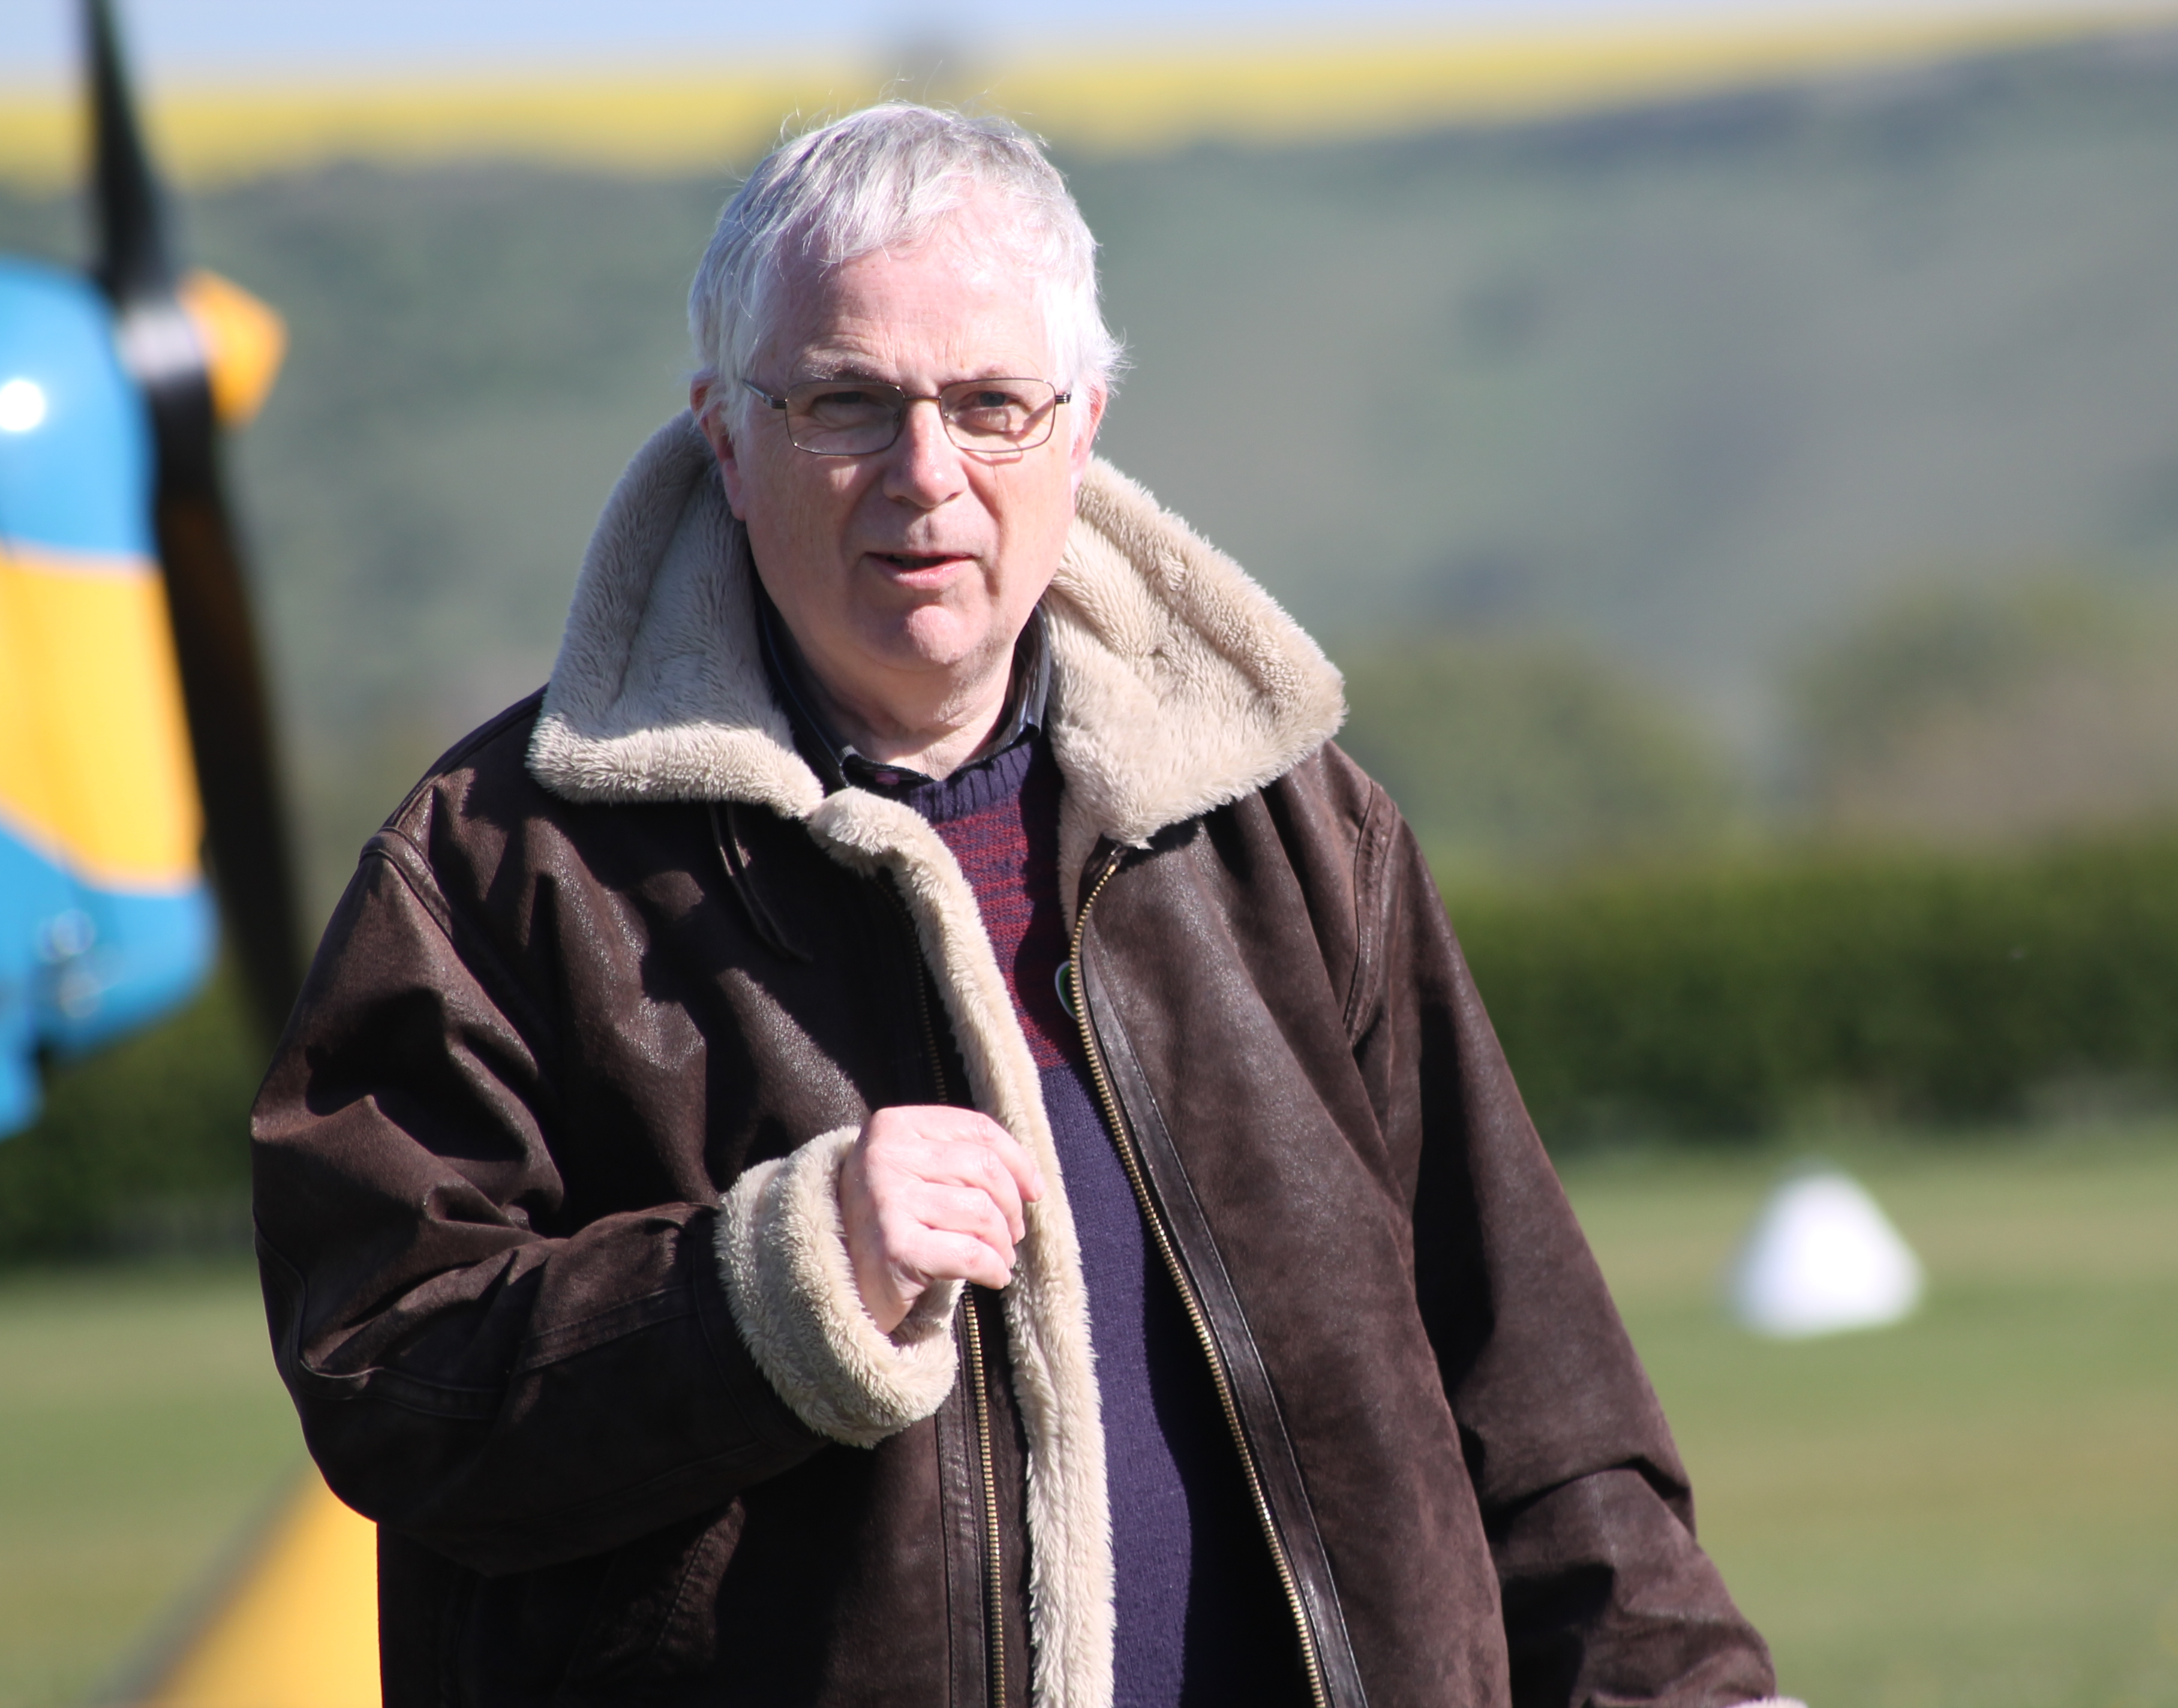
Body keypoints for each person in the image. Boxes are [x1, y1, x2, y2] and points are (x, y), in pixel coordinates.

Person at [251, 104, 1795, 1708]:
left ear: (1082, 429)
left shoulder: (1291, 827)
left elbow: (1536, 1402)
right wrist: (773, 1286)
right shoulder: (501, 863)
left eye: (991, 405)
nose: (926, 475)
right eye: (846, 403)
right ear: (725, 434)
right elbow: (386, 1371)